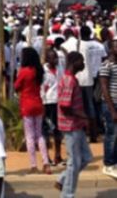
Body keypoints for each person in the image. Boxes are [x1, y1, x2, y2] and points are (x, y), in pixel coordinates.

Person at [55, 51, 92, 197]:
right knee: (74, 162)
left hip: (76, 125)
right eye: (81, 61)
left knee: (86, 157)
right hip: (70, 126)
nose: (83, 64)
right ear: (75, 62)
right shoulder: (69, 80)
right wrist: (82, 115)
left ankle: (63, 179)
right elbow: (65, 105)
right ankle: (67, 194)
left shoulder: (70, 78)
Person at [14, 47, 51, 174]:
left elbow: (16, 86)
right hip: (38, 103)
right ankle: (46, 163)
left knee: (29, 136)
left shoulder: (24, 71)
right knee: (39, 135)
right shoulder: (39, 70)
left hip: (27, 104)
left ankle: (33, 165)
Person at [77, 25, 106, 142]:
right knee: (97, 102)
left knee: (87, 104)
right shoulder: (99, 45)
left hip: (86, 78)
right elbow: (104, 60)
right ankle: (98, 127)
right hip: (99, 76)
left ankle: (89, 130)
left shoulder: (81, 46)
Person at [42, 48, 63, 166]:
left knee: (57, 131)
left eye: (56, 57)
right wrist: (43, 103)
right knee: (46, 131)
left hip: (58, 102)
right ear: (47, 59)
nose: (55, 60)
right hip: (47, 103)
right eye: (52, 57)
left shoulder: (60, 68)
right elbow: (42, 88)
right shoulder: (44, 71)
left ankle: (58, 155)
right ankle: (47, 157)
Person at [99, 38, 117, 178]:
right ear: (111, 49)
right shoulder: (106, 65)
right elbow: (104, 88)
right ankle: (108, 164)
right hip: (111, 104)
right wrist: (112, 110)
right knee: (111, 134)